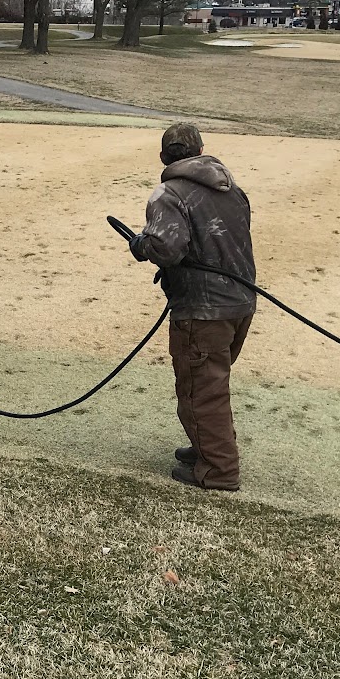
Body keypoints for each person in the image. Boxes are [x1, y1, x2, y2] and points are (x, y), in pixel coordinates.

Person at [128, 122, 256, 491]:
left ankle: (218, 471)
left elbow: (166, 249)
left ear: (163, 157)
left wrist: (141, 245)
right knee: (210, 384)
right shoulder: (232, 189)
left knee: (201, 392)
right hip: (240, 303)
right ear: (201, 151)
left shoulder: (168, 194)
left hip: (203, 310)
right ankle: (207, 448)